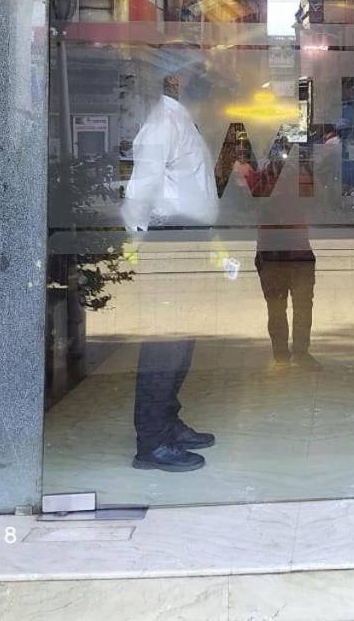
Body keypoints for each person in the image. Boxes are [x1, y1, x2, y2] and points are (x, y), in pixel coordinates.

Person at [122, 74, 218, 472]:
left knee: (181, 340)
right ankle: (152, 442)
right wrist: (140, 242)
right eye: (197, 73)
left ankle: (167, 423)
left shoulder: (181, 120)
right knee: (165, 342)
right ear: (176, 81)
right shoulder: (162, 123)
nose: (208, 82)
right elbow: (140, 190)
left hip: (186, 238)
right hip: (170, 239)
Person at [248, 140, 320, 371]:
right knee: (287, 307)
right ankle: (288, 355)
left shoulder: (292, 177)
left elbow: (316, 198)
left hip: (288, 249)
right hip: (283, 250)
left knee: (290, 306)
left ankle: (290, 354)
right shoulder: (269, 177)